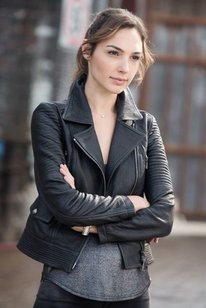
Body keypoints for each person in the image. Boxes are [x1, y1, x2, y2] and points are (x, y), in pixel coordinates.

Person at [17, 7, 175, 308]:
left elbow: (163, 216)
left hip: (132, 288)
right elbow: (65, 206)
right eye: (114, 53)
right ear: (87, 50)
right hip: (64, 285)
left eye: (134, 57)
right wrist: (132, 204)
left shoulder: (146, 125)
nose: (125, 68)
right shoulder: (51, 118)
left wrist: (91, 226)